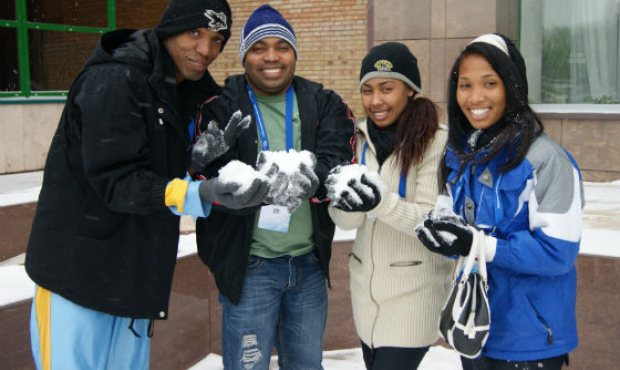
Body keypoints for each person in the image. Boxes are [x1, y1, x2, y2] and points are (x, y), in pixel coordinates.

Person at [25, 1, 270, 369]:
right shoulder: (115, 79)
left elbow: (147, 164)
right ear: (171, 28)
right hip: (75, 278)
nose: (206, 49)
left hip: (130, 282)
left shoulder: (183, 90)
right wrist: (194, 192)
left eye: (217, 39)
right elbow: (115, 178)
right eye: (195, 33)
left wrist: (191, 162)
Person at [190, 5, 355, 370]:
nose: (271, 57)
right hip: (250, 268)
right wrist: (207, 166)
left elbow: (338, 157)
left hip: (308, 265)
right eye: (258, 47)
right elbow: (208, 175)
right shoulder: (220, 105)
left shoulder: (322, 102)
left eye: (281, 46)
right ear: (244, 56)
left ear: (294, 53)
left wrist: (314, 176)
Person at [415, 33, 583, 370]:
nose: (475, 96)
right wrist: (445, 237)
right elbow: (462, 230)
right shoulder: (460, 154)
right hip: (475, 328)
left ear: (512, 86)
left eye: (489, 83)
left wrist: (478, 244)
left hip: (531, 339)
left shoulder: (547, 160)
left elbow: (558, 254)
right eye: (465, 85)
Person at [324, 42, 453, 369]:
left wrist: (378, 201)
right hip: (365, 295)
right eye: (367, 90)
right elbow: (348, 223)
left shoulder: (437, 141)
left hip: (414, 294)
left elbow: (429, 221)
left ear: (410, 90)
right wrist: (345, 202)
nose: (375, 100)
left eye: (387, 88)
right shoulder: (358, 139)